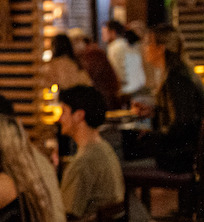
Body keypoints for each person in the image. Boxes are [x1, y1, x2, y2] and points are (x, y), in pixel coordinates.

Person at [58, 85, 124, 222]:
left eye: (63, 112)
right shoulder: (105, 149)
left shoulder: (83, 163)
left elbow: (65, 218)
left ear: (79, 116)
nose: (59, 118)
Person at [132, 24, 204, 174]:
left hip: (181, 157)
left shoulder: (177, 78)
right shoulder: (177, 73)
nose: (144, 48)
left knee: (122, 161)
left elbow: (183, 124)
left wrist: (151, 137)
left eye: (147, 43)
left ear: (160, 48)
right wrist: (153, 111)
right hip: (183, 151)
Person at [69, 29, 121, 109]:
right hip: (104, 99)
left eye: (75, 42)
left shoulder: (93, 55)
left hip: (104, 102)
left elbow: (89, 79)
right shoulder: (88, 55)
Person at [104, 19, 145, 98]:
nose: (103, 35)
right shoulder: (128, 44)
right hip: (139, 86)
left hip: (125, 89)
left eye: (104, 32)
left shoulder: (114, 46)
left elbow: (115, 70)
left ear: (112, 32)